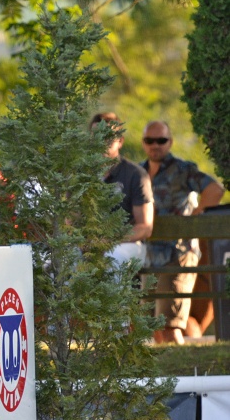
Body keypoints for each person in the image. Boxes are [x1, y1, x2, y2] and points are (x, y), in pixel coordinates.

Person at [140, 120, 225, 345]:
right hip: (148, 256)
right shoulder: (138, 172)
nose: (155, 145)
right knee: (152, 327)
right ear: (143, 143)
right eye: (150, 140)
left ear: (170, 142)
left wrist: (194, 217)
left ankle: (183, 371)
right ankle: (168, 376)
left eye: (161, 140)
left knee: (170, 326)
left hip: (178, 254)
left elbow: (215, 190)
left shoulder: (183, 169)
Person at [90, 112, 153, 267]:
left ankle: (108, 293)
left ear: (120, 141)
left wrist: (109, 240)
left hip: (127, 244)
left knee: (113, 257)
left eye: (108, 135)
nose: (102, 140)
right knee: (58, 261)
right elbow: (70, 220)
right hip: (87, 244)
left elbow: (145, 228)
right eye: (96, 135)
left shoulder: (136, 174)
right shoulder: (81, 174)